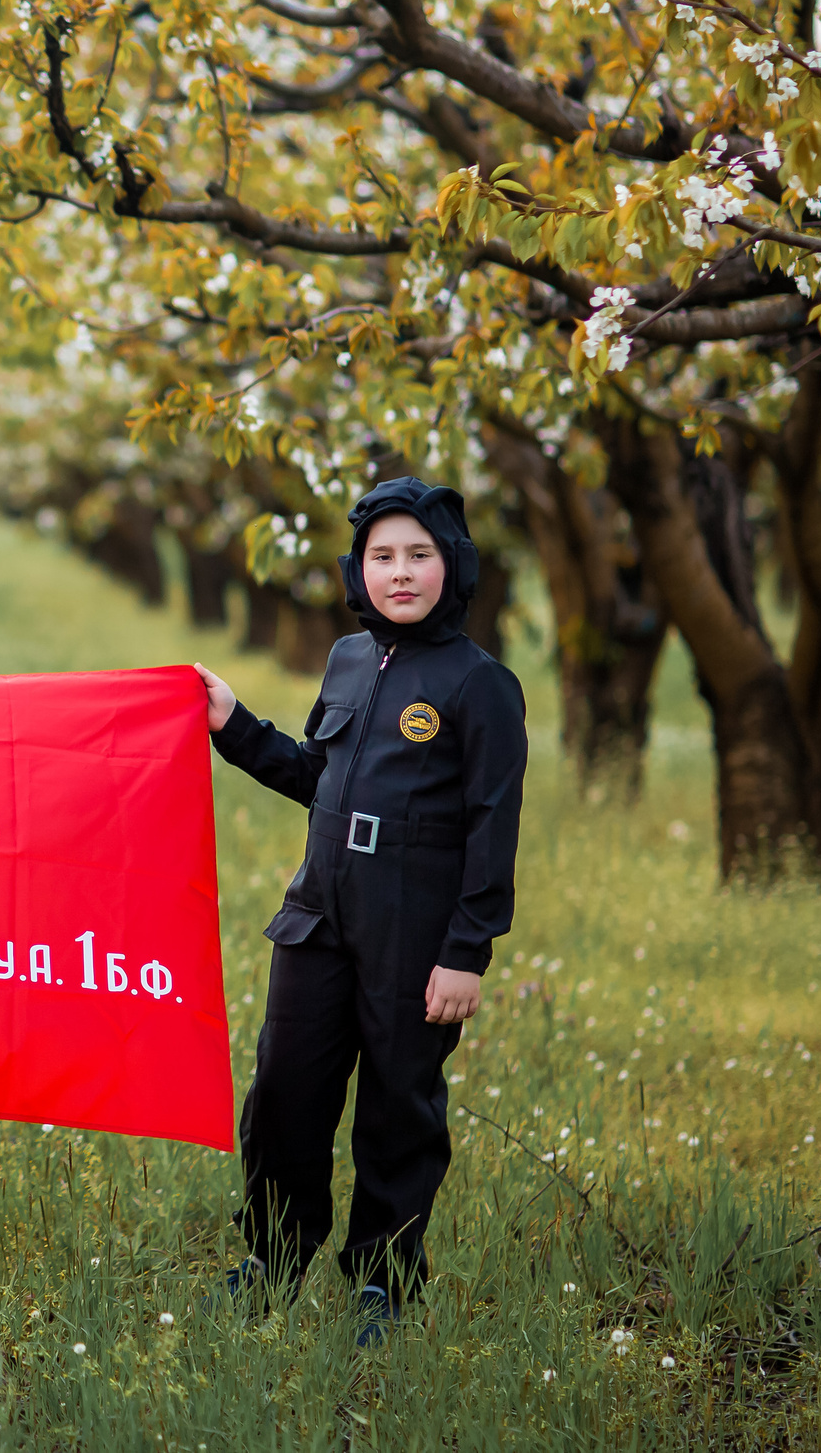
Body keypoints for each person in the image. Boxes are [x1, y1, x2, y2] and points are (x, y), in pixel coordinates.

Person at [193, 477, 525, 1346]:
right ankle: (271, 1256)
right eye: (383, 556)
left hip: (413, 933)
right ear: (358, 568)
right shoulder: (346, 659)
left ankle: (383, 1281)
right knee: (284, 1093)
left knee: (397, 1104)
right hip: (317, 917)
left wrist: (467, 950)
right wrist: (232, 724)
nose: (401, 572)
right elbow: (315, 775)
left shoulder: (480, 683)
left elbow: (494, 830)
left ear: (452, 566)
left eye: (420, 554)